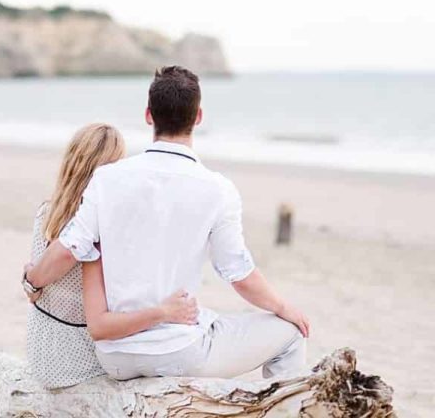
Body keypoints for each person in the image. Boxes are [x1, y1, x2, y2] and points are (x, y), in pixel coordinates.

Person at [25, 66, 309, 381]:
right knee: (290, 333)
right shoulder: (218, 189)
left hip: (115, 358)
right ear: (198, 117)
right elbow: (238, 274)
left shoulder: (107, 179)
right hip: (179, 351)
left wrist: (33, 279)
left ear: (149, 115)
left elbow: (69, 249)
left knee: (212, 322)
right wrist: (284, 308)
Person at [25, 123, 199, 388]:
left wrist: (31, 279)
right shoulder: (96, 229)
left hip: (42, 355)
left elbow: (38, 281)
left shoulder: (46, 214)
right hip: (82, 361)